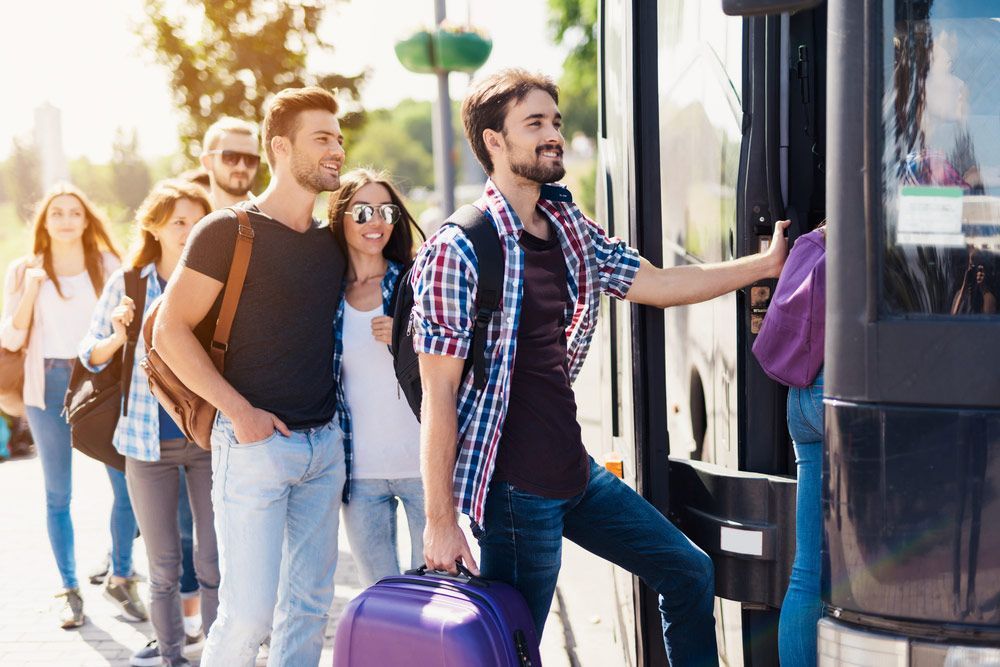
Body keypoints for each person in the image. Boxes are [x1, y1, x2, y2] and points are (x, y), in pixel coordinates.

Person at [411, 69, 789, 665]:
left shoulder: (566, 228)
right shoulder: (459, 248)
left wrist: (763, 267)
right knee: (512, 649)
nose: (552, 134)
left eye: (555, 122)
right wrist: (439, 521)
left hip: (574, 474)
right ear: (493, 141)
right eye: (533, 123)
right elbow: (438, 394)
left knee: (688, 572)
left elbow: (658, 284)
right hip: (514, 494)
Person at [154, 86, 348, 667]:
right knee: (246, 619)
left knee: (309, 612)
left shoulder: (330, 243)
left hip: (323, 448)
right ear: (280, 148)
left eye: (339, 138)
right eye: (322, 138)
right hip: (253, 447)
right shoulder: (226, 231)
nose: (337, 149)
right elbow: (169, 331)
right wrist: (240, 412)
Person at [79, 180, 220, 667]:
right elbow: (90, 357)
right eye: (178, 221)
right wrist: (119, 335)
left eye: (196, 221)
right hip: (144, 443)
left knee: (212, 560)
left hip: (205, 439)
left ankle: (221, 654)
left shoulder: (214, 280)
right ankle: (173, 658)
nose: (188, 230)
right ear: (154, 226)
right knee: (163, 566)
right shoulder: (128, 282)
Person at [0, 184, 145, 628]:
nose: (65, 220)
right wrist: (31, 288)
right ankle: (69, 589)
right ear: (43, 221)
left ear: (86, 220)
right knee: (58, 493)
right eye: (56, 212)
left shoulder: (107, 264)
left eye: (74, 213)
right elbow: (10, 339)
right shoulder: (24, 269)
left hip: (99, 380)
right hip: (47, 382)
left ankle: (121, 576)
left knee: (127, 486)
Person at [329, 168, 425, 587]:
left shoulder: (415, 279)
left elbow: (465, 352)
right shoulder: (324, 291)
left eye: (387, 211)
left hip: (426, 469)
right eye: (363, 211)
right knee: (380, 599)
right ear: (340, 217)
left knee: (438, 593)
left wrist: (412, 336)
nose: (377, 222)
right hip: (359, 474)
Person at [199, 117, 261, 209]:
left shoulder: (273, 218)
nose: (241, 167)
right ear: (207, 162)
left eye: (250, 159)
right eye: (230, 158)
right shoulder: (192, 220)